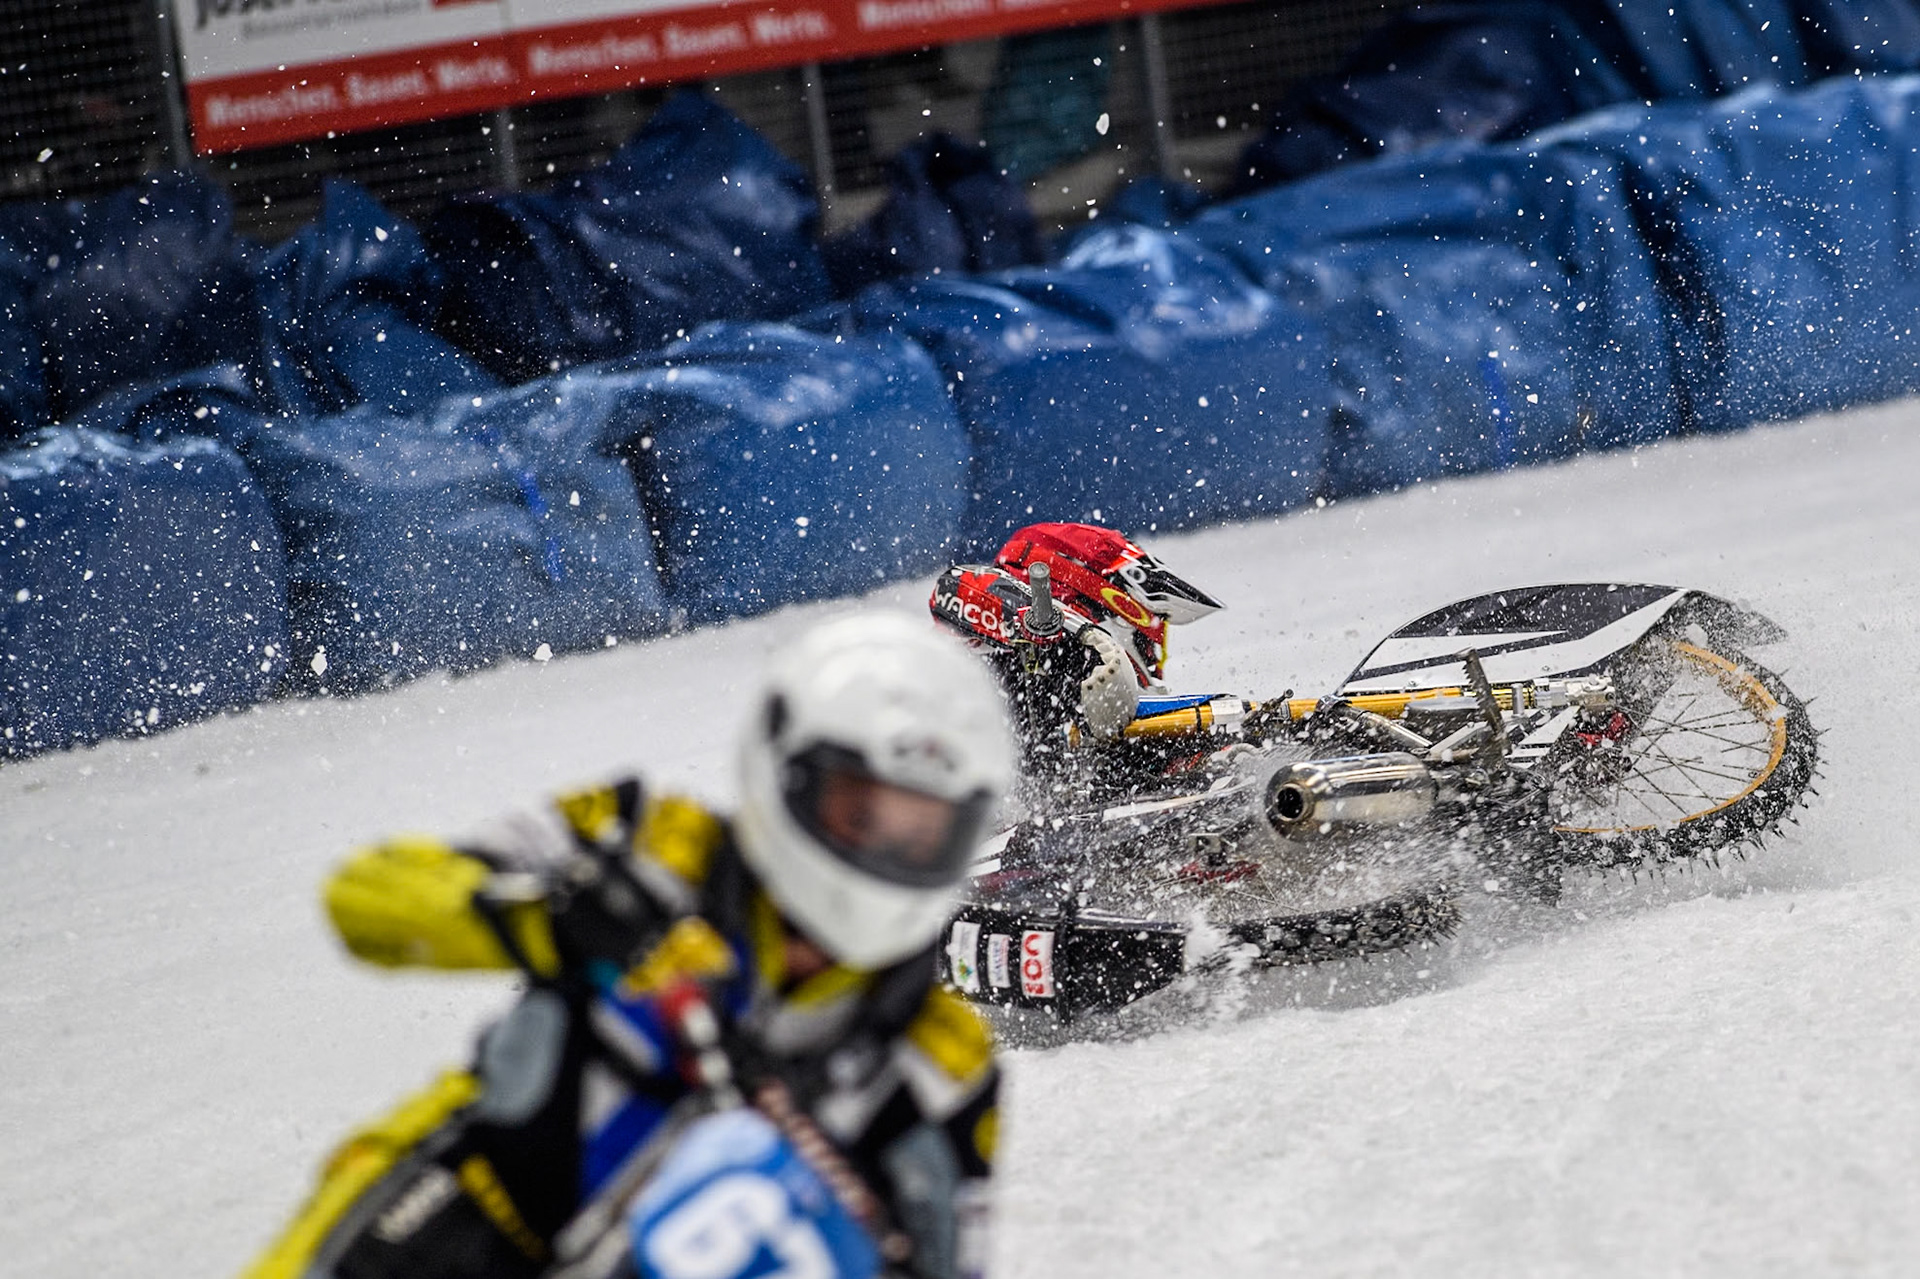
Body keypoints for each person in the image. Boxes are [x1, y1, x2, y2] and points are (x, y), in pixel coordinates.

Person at [243, 613, 1014, 1279]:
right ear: (788, 769)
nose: (885, 851)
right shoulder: (648, 838)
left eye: (922, 834)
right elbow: (366, 898)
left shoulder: (944, 1058)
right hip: (455, 1217)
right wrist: (552, 911)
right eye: (860, 813)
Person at [928, 522, 1240, 787]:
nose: (1155, 655)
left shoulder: (1092, 709)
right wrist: (1059, 625)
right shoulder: (1025, 662)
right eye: (1151, 637)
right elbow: (956, 588)